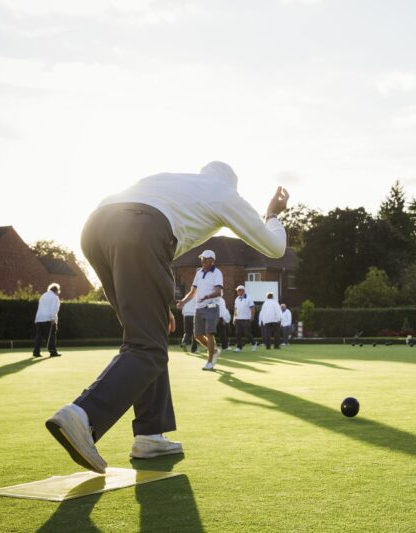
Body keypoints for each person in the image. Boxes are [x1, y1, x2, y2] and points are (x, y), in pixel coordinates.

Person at [45, 161, 288, 474]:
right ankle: (84, 415)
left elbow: (147, 227)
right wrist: (272, 214)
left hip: (95, 229)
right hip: (141, 229)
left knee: (147, 338)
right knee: (148, 347)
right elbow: (274, 248)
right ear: (233, 183)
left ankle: (150, 434)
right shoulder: (225, 193)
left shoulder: (173, 181)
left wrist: (162, 308)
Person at [178, 250, 223, 371]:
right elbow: (192, 292)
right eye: (202, 258)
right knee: (197, 335)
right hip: (199, 307)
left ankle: (210, 362)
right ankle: (214, 351)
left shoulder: (217, 272)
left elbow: (219, 292)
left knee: (209, 333)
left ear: (212, 260)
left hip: (212, 306)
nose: (203, 260)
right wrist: (183, 301)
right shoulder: (199, 273)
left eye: (205, 258)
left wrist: (208, 297)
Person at [33, 283, 61, 357]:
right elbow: (54, 308)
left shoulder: (43, 295)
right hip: (48, 319)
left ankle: (36, 352)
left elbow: (39, 307)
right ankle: (53, 352)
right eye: (58, 290)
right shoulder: (55, 297)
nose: (59, 292)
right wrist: (53, 318)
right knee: (51, 336)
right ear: (56, 290)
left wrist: (36, 318)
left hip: (39, 319)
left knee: (39, 336)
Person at [232, 285, 257, 352]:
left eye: (239, 290)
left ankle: (254, 344)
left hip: (246, 318)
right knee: (238, 333)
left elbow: (252, 308)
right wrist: (234, 318)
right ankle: (239, 348)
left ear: (243, 291)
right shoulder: (236, 299)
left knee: (247, 333)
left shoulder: (249, 298)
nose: (238, 292)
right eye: (237, 291)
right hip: (238, 319)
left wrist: (252, 316)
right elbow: (235, 309)